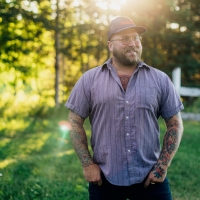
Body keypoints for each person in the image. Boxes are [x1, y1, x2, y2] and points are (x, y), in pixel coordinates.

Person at [65, 16, 184, 200]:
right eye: (124, 39)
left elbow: (175, 124)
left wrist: (162, 166)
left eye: (136, 38)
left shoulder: (160, 80)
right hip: (105, 180)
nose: (132, 43)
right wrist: (87, 164)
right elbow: (74, 121)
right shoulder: (89, 80)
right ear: (110, 45)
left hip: (151, 179)